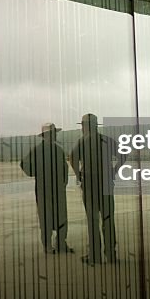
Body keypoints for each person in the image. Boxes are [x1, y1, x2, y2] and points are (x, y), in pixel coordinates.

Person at [70, 114, 124, 265]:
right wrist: (114, 170)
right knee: (108, 219)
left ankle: (95, 256)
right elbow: (123, 154)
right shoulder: (106, 140)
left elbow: (72, 158)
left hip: (90, 183)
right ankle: (111, 255)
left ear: (86, 126)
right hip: (106, 182)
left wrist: (78, 174)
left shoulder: (82, 141)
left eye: (82, 125)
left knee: (93, 220)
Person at [21, 123, 73, 254]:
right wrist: (35, 172)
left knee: (58, 216)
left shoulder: (57, 150)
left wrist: (63, 183)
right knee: (47, 217)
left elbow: (64, 168)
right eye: (54, 133)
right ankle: (49, 245)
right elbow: (24, 164)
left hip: (54, 189)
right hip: (44, 189)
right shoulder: (39, 150)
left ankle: (59, 243)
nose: (55, 135)